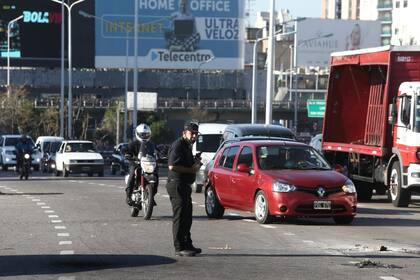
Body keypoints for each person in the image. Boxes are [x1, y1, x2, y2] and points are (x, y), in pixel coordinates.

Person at [166, 122, 202, 257]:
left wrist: (195, 161)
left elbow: (185, 163)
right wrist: (191, 169)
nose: (194, 136)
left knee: (187, 217)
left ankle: (187, 244)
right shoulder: (178, 145)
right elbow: (172, 166)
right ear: (184, 133)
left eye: (196, 134)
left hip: (184, 185)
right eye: (191, 133)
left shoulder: (187, 146)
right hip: (177, 185)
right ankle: (179, 247)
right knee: (180, 217)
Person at [125, 123, 159, 206]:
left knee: (155, 175)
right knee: (133, 173)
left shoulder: (151, 144)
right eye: (142, 134)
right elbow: (127, 151)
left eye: (146, 134)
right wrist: (128, 155)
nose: (144, 136)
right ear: (138, 134)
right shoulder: (133, 144)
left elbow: (157, 151)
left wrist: (161, 156)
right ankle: (128, 196)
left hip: (148, 164)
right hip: (136, 163)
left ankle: (151, 196)